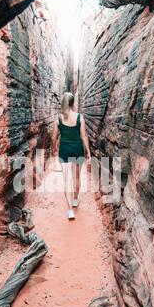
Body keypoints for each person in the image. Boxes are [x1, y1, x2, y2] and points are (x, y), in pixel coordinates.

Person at [51, 92, 91, 220]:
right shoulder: (80, 117)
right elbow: (84, 136)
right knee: (77, 177)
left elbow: (54, 136)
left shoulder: (58, 118)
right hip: (77, 149)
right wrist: (88, 151)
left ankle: (70, 210)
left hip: (65, 150)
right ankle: (75, 199)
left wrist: (54, 147)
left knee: (67, 179)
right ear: (73, 103)